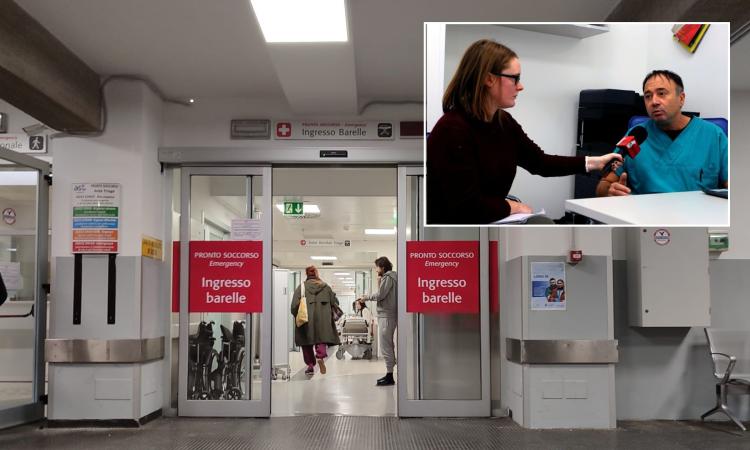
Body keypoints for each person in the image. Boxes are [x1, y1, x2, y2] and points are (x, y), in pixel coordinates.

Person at [427, 39, 622, 224]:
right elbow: (465, 206)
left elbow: (541, 163)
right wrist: (511, 207)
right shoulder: (452, 130)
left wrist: (595, 162)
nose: (520, 86)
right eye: (515, 78)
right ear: (489, 79)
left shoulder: (503, 122)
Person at [596, 70, 728, 196]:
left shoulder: (713, 135)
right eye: (648, 96)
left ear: (681, 98)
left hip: (698, 216)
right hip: (644, 216)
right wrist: (609, 191)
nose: (654, 102)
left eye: (661, 93)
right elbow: (603, 185)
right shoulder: (636, 135)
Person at [290, 266, 341, 375]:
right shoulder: (326, 287)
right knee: (321, 338)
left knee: (306, 342)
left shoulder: (302, 287)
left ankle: (310, 365)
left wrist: (297, 315)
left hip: (306, 320)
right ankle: (320, 356)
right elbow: (335, 302)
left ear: (306, 274)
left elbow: (294, 306)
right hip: (323, 319)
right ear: (317, 274)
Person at [357, 256, 397, 386]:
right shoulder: (393, 278)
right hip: (389, 315)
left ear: (382, 267)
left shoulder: (388, 278)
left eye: (377, 267)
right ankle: (389, 373)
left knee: (386, 346)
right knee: (388, 345)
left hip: (387, 315)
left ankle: (390, 375)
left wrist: (366, 297)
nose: (376, 270)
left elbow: (380, 295)